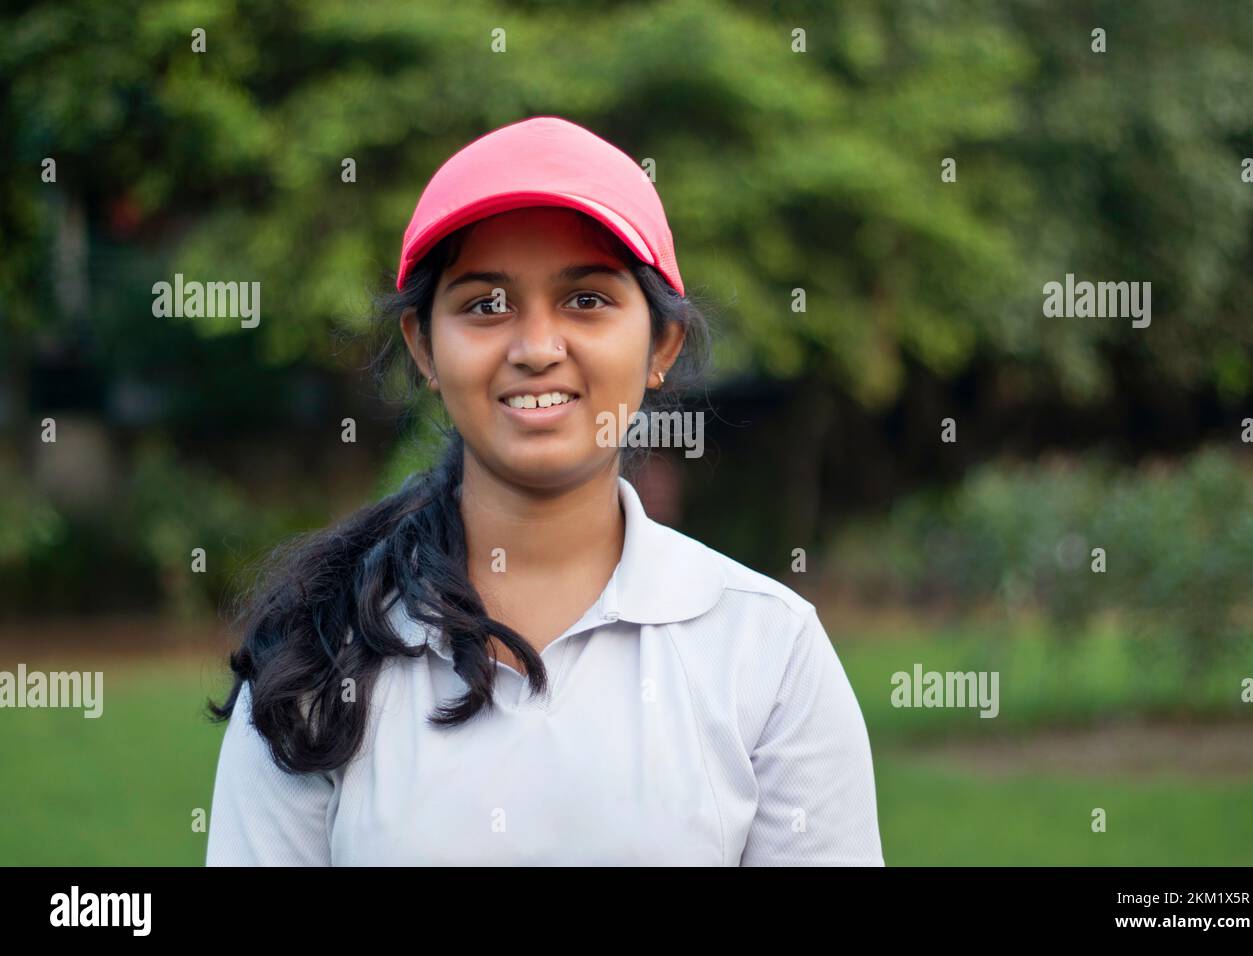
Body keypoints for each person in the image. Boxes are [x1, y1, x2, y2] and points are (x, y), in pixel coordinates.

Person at [205, 115, 884, 866]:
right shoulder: (315, 652)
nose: (535, 348)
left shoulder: (768, 653)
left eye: (586, 300)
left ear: (661, 345)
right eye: (485, 304)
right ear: (424, 347)